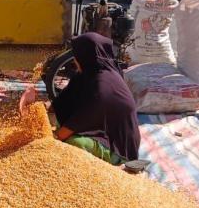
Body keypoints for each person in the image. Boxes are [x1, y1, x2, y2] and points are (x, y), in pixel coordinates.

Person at [50, 33, 142, 168]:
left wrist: (52, 140)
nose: (75, 59)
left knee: (74, 143)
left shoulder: (102, 87)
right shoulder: (87, 73)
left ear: (85, 57)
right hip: (100, 126)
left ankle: (110, 163)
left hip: (116, 145)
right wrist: (41, 107)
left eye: (77, 55)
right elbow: (62, 102)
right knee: (56, 120)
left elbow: (80, 120)